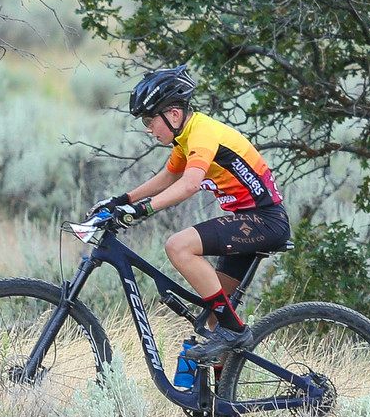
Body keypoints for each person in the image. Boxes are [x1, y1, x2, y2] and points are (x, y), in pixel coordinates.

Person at [90, 64, 290, 369]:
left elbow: (189, 184)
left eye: (149, 120)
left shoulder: (202, 133)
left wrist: (141, 210)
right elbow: (170, 175)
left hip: (264, 221)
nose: (148, 129)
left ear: (173, 115)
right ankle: (221, 398)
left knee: (178, 246)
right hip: (249, 220)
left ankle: (235, 332)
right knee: (214, 319)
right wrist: (124, 200)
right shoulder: (186, 136)